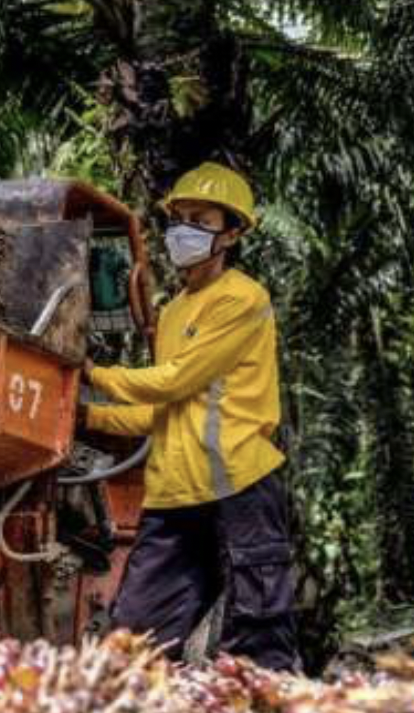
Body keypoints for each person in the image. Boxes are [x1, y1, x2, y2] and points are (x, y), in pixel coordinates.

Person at [81, 162, 299, 670]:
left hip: (238, 486)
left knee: (258, 636)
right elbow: (160, 410)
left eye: (200, 219)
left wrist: (96, 374)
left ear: (233, 232)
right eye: (179, 217)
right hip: (175, 493)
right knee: (133, 646)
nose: (184, 229)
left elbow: (176, 380)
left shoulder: (243, 299)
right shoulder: (174, 309)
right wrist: (86, 417)